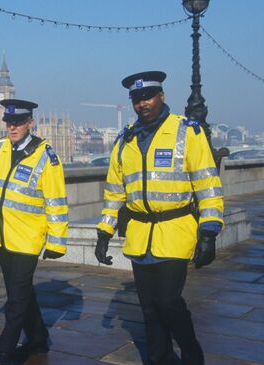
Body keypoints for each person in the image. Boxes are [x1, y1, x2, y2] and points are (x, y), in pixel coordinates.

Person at [95, 71, 224, 365]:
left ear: (162, 96)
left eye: (148, 97)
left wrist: (209, 232)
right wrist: (104, 232)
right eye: (137, 99)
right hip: (141, 235)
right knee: (149, 307)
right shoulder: (125, 139)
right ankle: (159, 358)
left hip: (176, 231)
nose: (143, 104)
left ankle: (191, 353)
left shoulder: (186, 132)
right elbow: (114, 191)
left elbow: (208, 185)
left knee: (168, 303)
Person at [0, 99, 68, 365]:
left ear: (31, 122)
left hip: (28, 239)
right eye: (8, 122)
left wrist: (57, 241)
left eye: (18, 122)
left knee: (16, 299)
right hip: (0, 236)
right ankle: (39, 338)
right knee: (21, 293)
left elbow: (56, 201)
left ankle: (6, 350)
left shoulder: (46, 156)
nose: (12, 127)